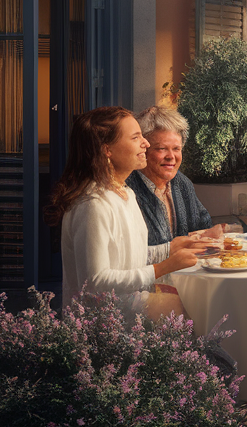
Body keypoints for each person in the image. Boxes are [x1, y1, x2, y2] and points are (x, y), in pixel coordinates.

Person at [47, 107, 205, 319]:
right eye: (135, 137)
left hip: (125, 305)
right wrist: (163, 267)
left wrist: (170, 248)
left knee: (196, 300)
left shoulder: (126, 194)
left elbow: (128, 258)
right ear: (107, 150)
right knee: (193, 306)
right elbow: (95, 282)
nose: (146, 144)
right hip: (103, 321)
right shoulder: (92, 204)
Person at [126, 105, 214, 246]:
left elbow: (204, 226)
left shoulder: (182, 183)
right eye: (162, 149)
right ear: (143, 149)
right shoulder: (127, 189)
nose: (171, 157)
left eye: (176, 149)